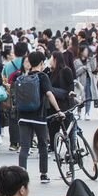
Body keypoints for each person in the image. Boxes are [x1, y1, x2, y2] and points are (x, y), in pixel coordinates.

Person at [15, 52, 60, 185]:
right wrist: (58, 110)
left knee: (24, 146)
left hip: (23, 116)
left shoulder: (23, 77)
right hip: (38, 117)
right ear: (41, 63)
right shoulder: (42, 76)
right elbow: (49, 93)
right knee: (42, 145)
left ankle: (21, 175)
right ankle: (44, 175)